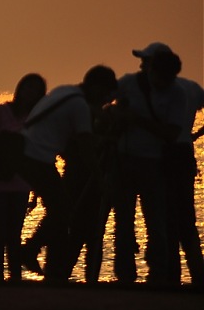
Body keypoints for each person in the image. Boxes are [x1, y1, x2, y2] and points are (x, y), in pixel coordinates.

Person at [15, 66, 118, 282]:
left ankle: (34, 252)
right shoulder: (79, 106)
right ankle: (30, 250)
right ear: (98, 89)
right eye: (106, 95)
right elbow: (86, 149)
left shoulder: (65, 92)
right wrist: (101, 180)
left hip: (26, 155)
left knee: (60, 209)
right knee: (63, 210)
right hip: (38, 159)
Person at [112, 44, 185, 284]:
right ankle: (125, 276)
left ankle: (158, 275)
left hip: (154, 163)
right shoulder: (128, 83)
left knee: (156, 221)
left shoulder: (177, 94)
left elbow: (172, 133)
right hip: (123, 160)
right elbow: (105, 106)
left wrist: (138, 121)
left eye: (146, 60)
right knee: (123, 220)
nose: (142, 65)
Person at [0, 73, 46, 282]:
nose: (31, 93)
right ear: (20, 89)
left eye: (36, 91)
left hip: (21, 184)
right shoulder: (0, 112)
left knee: (14, 235)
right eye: (28, 88)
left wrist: (36, 188)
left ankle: (15, 277)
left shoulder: (37, 119)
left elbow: (38, 153)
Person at [168, 72, 204, 286]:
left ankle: (170, 276)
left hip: (168, 155)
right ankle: (198, 275)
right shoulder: (193, 87)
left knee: (167, 220)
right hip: (184, 152)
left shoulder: (160, 88)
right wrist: (196, 135)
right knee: (186, 219)